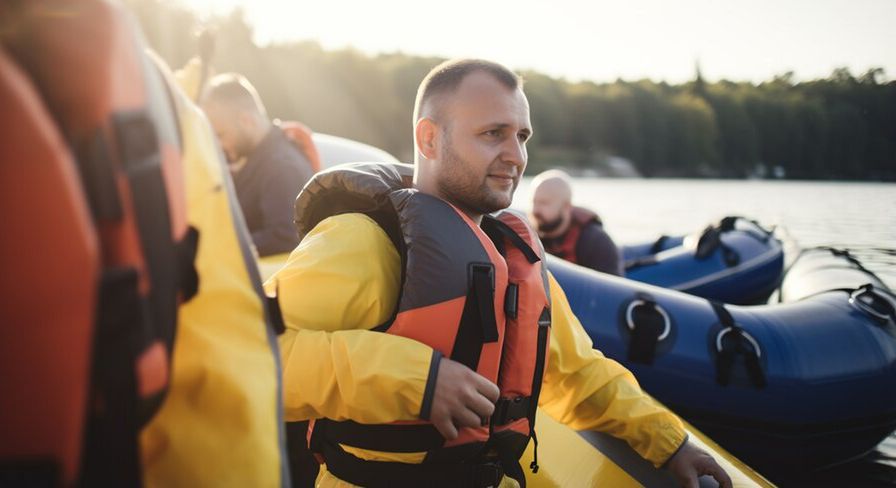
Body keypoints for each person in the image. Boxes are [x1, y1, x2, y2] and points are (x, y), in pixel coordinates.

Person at [266, 59, 731, 488]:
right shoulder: (362, 241)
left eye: (522, 136)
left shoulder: (512, 256)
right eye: (494, 133)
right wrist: (415, 380)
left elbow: (575, 373)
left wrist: (670, 442)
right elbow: (246, 353)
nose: (516, 156)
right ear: (429, 139)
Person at [201, 73, 316, 257]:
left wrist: (215, 248)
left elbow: (285, 237)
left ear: (247, 121)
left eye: (221, 135)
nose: (218, 145)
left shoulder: (281, 167)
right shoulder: (253, 159)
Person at [530, 169, 624, 275]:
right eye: (534, 202)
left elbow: (610, 288)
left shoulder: (595, 241)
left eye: (544, 203)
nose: (535, 210)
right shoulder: (529, 236)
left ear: (566, 207)